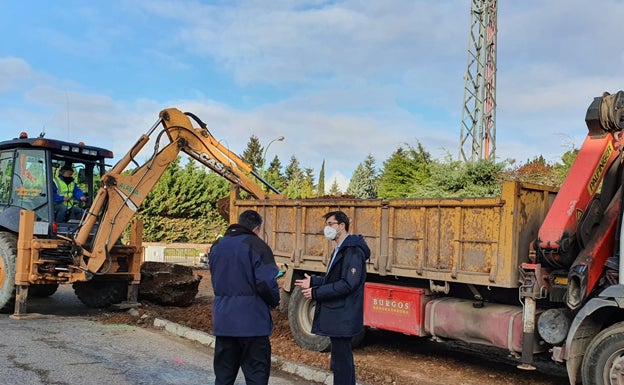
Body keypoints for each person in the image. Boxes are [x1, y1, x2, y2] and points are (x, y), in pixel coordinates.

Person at [294, 210, 370, 385]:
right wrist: (313, 281)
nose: (326, 229)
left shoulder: (352, 251)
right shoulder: (340, 249)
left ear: (342, 226)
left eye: (330, 224)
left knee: (342, 361)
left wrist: (316, 293)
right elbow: (334, 279)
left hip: (343, 314)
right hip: (338, 314)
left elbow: (348, 284)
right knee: (339, 360)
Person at [209, 209, 280, 385]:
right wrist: (274, 301)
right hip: (252, 323)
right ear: (256, 228)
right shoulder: (258, 246)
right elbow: (265, 283)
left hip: (224, 321)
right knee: (256, 376)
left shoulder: (217, 246)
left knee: (223, 377)